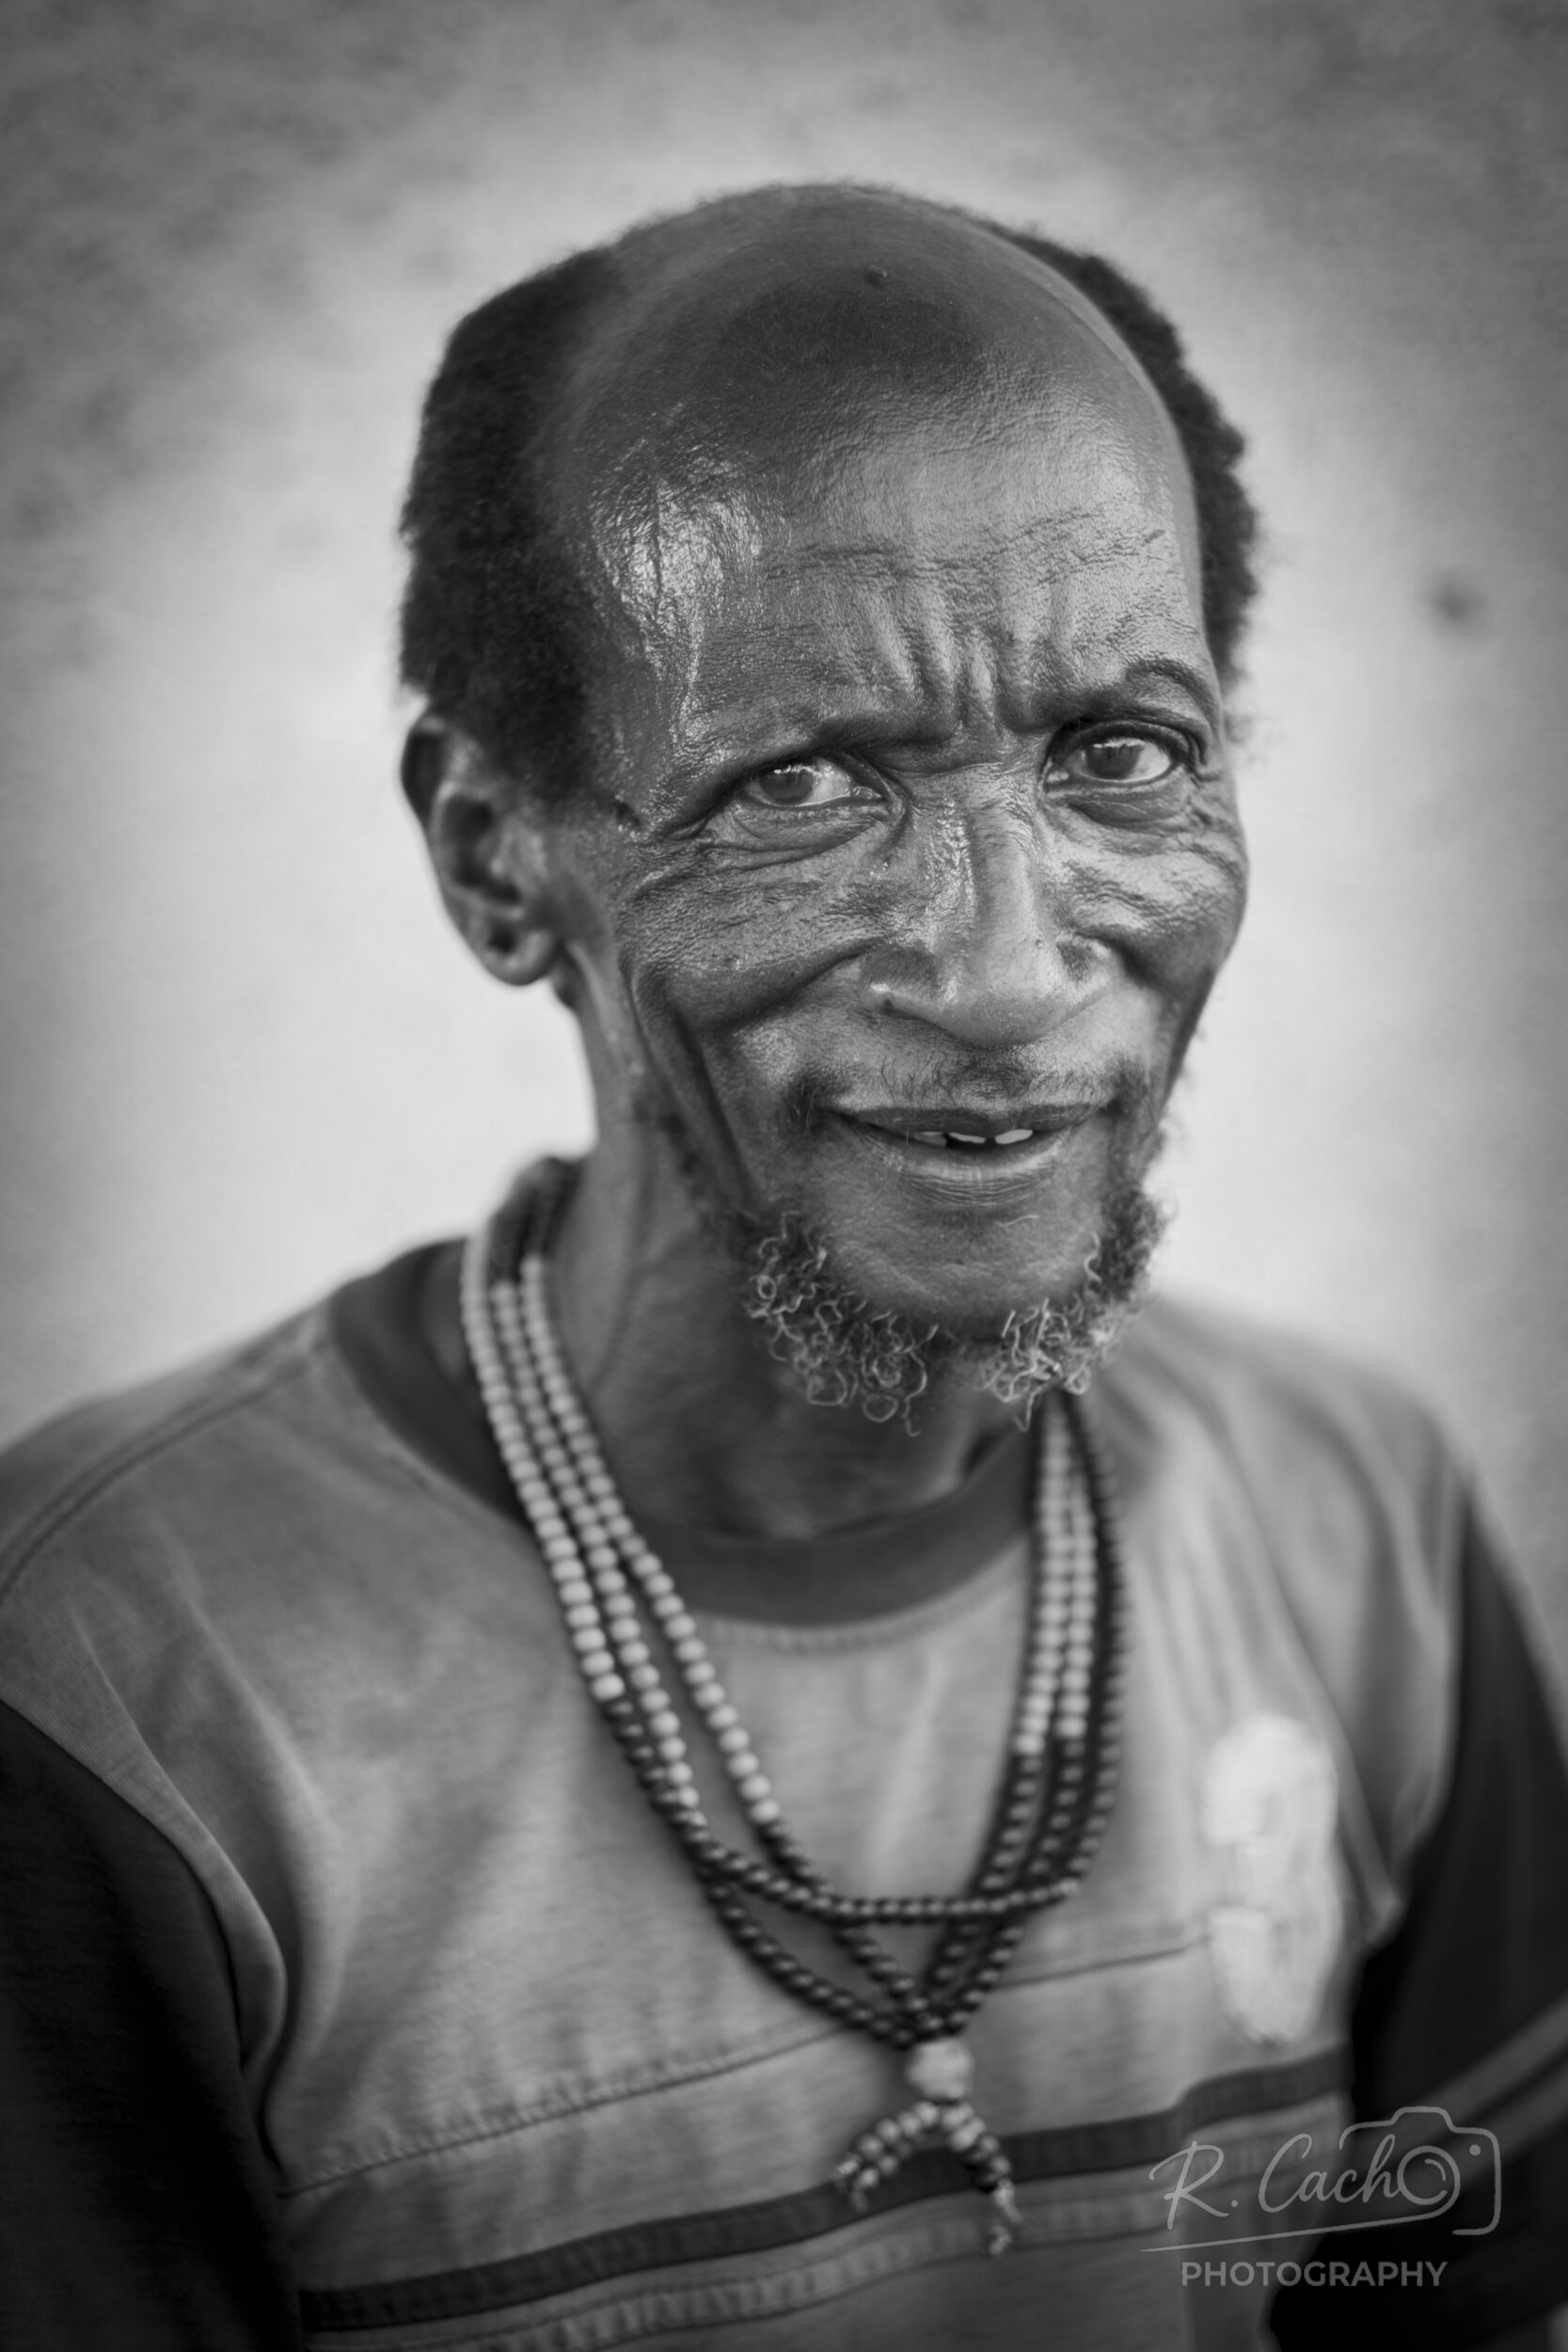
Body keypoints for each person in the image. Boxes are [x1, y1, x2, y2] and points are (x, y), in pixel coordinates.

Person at [1, 183, 1564, 2352]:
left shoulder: (1351, 1516)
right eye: (805, 783)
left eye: (1120, 752)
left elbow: (1452, 2308)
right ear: (495, 858)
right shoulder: (122, 1682)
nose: (1006, 971)